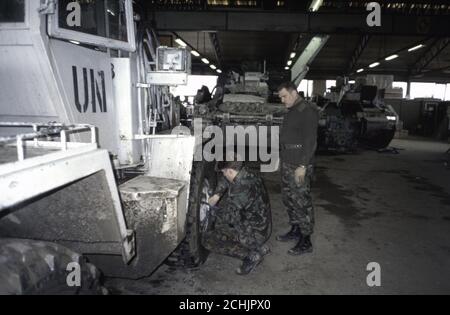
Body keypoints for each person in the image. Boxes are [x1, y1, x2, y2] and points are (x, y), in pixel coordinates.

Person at [203, 160, 272, 275]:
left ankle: (252, 254)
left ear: (230, 171)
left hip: (255, 232)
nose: (223, 175)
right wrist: (217, 195)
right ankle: (260, 246)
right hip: (263, 225)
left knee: (209, 239)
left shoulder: (239, 191)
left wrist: (211, 211)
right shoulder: (248, 173)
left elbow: (228, 217)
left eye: (224, 172)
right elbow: (225, 180)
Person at [276, 81, 319, 256]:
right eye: (280, 97)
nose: (282, 100)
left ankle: (306, 240)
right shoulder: (292, 110)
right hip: (288, 162)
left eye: (284, 96)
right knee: (289, 199)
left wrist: (303, 165)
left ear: (294, 93)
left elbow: (310, 141)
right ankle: (295, 229)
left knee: (302, 202)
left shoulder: (307, 111)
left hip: (298, 165)